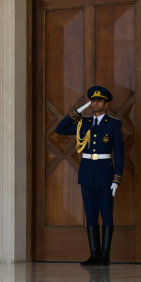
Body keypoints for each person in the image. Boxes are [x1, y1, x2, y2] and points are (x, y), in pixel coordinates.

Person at [55, 86, 123, 266]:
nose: (95, 103)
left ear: (106, 104)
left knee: (106, 214)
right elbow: (60, 129)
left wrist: (118, 176)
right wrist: (76, 112)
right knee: (91, 214)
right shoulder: (82, 123)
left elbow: (120, 152)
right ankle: (94, 255)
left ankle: (105, 257)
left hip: (105, 174)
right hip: (87, 174)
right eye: (93, 100)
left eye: (99, 100)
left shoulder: (113, 124)